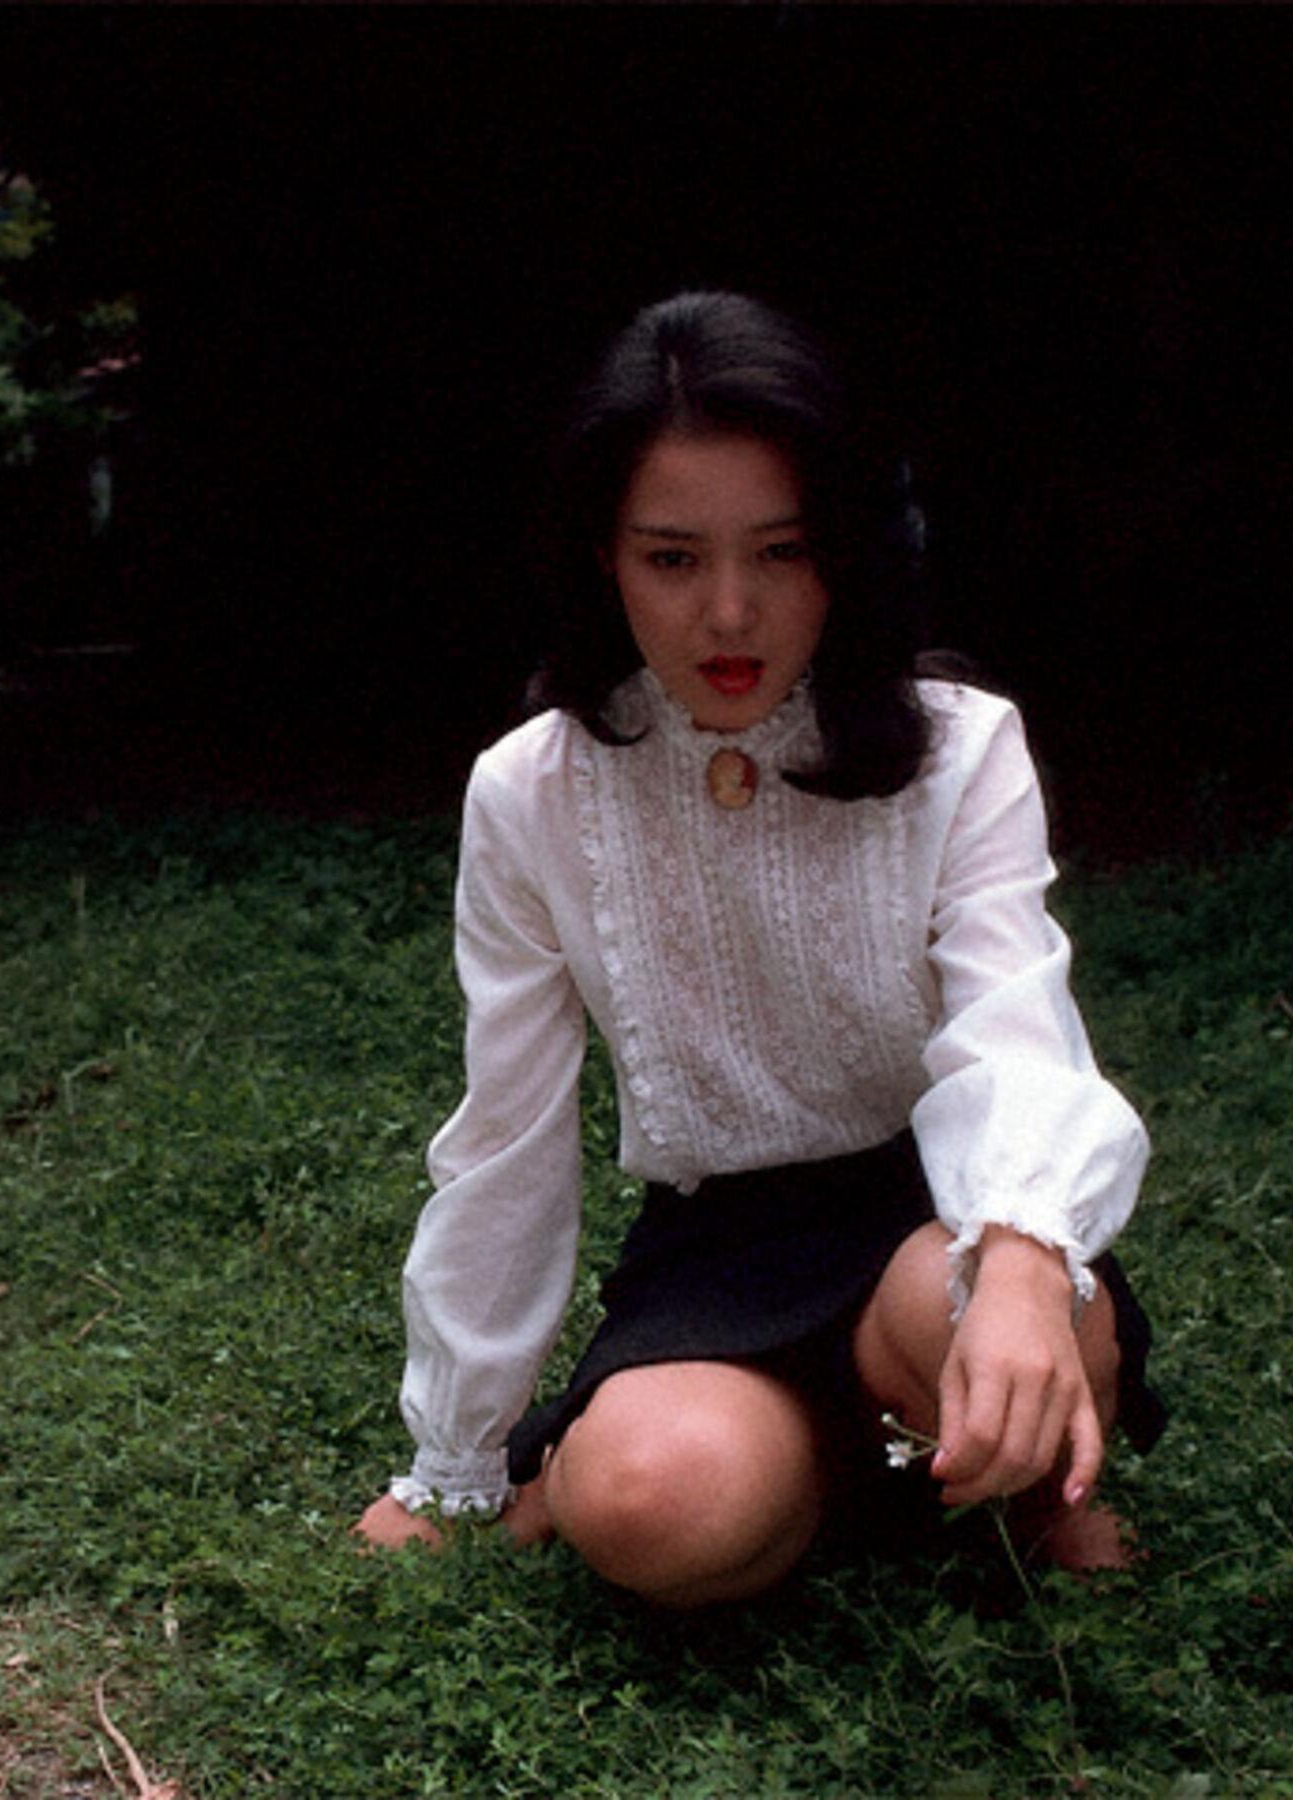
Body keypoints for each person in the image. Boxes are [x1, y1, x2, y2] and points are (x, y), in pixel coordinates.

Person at [353, 291, 1165, 1608]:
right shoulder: (531, 792)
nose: (730, 612)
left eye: (782, 552)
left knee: (1006, 1312)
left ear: (843, 547)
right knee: (647, 1505)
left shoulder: (962, 751)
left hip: (941, 1214)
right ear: (604, 558)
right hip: (720, 1256)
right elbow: (508, 1137)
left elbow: (1016, 1025)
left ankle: (998, 1463)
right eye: (673, 559)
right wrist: (455, 1460)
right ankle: (831, 1460)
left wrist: (1021, 1256)